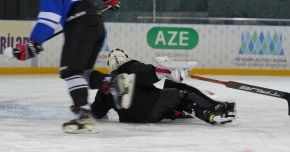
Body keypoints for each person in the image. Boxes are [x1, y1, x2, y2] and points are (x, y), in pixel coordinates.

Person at [10, 0, 136, 134]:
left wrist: (33, 42)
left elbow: (48, 19)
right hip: (96, 25)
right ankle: (112, 83)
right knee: (83, 72)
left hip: (79, 27)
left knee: (70, 72)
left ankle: (84, 116)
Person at [88, 48, 237, 125]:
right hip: (150, 107)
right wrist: (161, 71)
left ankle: (176, 112)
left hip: (132, 119)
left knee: (167, 97)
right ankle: (213, 111)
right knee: (179, 92)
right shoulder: (129, 66)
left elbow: (97, 112)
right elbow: (143, 74)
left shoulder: (105, 85)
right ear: (126, 58)